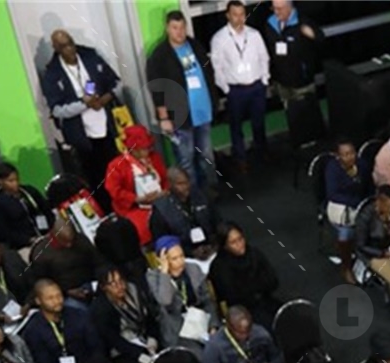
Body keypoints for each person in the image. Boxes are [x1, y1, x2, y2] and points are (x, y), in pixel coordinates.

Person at [39, 30, 121, 191]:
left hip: (108, 128)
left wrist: (105, 98)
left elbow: (116, 82)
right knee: (96, 179)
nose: (69, 49)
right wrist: (85, 104)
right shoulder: (52, 73)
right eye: (63, 46)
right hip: (82, 137)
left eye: (70, 43)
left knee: (117, 171)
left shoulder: (90, 56)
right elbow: (56, 110)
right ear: (56, 49)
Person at [146, 11, 215, 198]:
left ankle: (209, 189)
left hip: (203, 111)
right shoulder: (159, 55)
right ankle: (192, 195)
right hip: (179, 117)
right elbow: (157, 89)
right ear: (167, 28)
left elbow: (208, 72)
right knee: (186, 159)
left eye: (182, 27)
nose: (179, 32)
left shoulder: (195, 45)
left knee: (206, 155)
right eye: (175, 28)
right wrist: (164, 118)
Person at [210, 1, 270, 173]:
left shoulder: (254, 34)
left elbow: (264, 57)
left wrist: (264, 80)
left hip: (256, 86)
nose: (239, 18)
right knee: (236, 127)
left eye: (242, 14)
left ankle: (262, 152)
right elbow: (217, 67)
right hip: (235, 90)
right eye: (235, 14)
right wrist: (226, 89)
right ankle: (241, 159)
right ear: (228, 16)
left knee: (259, 123)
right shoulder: (219, 38)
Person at [21, 278, 105, 363]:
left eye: (59, 296)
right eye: (50, 298)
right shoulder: (33, 329)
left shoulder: (78, 315)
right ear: (38, 301)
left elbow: (95, 346)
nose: (57, 301)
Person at [147, 236, 216, 350]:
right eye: (174, 258)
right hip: (178, 332)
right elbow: (165, 300)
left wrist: (213, 325)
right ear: (163, 260)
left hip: (201, 321)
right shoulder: (154, 277)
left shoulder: (193, 269)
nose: (181, 262)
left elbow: (207, 300)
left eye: (182, 256)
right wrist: (165, 272)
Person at [208, 223, 281, 329]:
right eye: (233, 242)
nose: (240, 244)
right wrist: (257, 286)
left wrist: (254, 288)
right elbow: (232, 296)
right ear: (224, 245)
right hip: (242, 310)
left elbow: (272, 280)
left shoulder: (254, 254)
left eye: (240, 239)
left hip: (265, 300)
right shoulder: (219, 267)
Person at [103, 125, 167, 246]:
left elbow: (165, 179)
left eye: (148, 147)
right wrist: (136, 199)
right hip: (134, 207)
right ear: (132, 149)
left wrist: (164, 192)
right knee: (142, 229)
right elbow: (114, 190)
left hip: (161, 201)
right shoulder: (116, 165)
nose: (147, 151)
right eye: (143, 149)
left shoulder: (155, 158)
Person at [261, 0, 325, 103]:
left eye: (279, 9)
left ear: (289, 7)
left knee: (307, 109)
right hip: (281, 82)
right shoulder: (270, 23)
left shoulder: (302, 22)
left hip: (302, 83)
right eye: (274, 8)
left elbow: (321, 38)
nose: (276, 12)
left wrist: (313, 35)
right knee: (288, 108)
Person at [324, 137, 366, 283]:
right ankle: (346, 267)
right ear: (338, 156)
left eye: (352, 152)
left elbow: (368, 185)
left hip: (361, 203)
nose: (350, 157)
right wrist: (355, 202)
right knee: (345, 234)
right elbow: (332, 194)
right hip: (343, 206)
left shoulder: (361, 164)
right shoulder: (332, 169)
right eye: (346, 154)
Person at [27, 217, 99, 301]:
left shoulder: (81, 240)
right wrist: (66, 292)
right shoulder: (41, 254)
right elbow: (43, 283)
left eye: (71, 240)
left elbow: (97, 261)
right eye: (65, 241)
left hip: (90, 282)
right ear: (55, 236)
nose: (69, 245)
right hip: (64, 293)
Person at [150, 168, 218, 256]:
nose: (186, 186)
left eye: (187, 182)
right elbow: (162, 243)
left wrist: (215, 244)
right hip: (182, 255)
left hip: (210, 247)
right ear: (170, 184)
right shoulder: (161, 210)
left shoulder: (201, 196)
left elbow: (217, 221)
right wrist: (188, 252)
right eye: (180, 184)